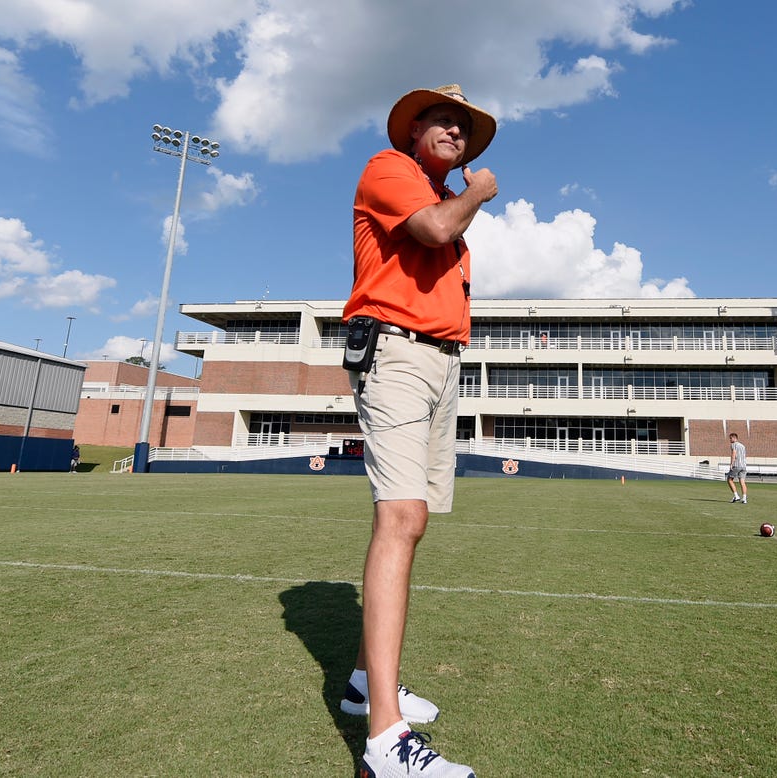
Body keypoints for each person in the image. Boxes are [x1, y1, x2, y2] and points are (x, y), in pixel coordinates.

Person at [340, 84, 497, 778]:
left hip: (440, 360)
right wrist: (479, 192)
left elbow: (441, 235)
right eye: (444, 120)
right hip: (396, 351)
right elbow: (434, 230)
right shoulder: (389, 168)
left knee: (416, 520)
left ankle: (366, 682)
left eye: (465, 128)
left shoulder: (436, 194)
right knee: (399, 516)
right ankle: (384, 743)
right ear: (413, 129)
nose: (457, 133)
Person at [727, 432, 748, 503]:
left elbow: (734, 454)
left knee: (729, 480)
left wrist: (731, 464)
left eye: (730, 438)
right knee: (742, 482)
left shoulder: (733, 445)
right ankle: (744, 498)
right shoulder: (743, 446)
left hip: (737, 465)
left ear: (734, 438)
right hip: (744, 466)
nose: (730, 440)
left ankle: (736, 496)